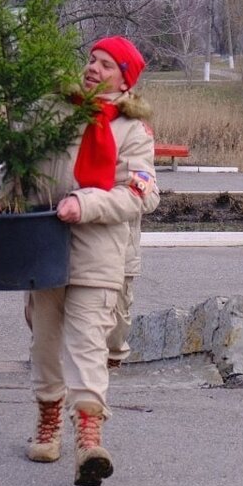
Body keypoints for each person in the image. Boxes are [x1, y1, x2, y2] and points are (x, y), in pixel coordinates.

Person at [0, 36, 155, 486]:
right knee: (44, 341)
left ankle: (89, 441)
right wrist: (4, 196)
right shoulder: (53, 112)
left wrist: (87, 204)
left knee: (87, 346)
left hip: (97, 251)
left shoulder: (131, 130)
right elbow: (21, 164)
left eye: (105, 65)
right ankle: (48, 421)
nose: (93, 69)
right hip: (43, 242)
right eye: (91, 60)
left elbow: (141, 193)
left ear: (124, 78)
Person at [107, 122, 160, 368]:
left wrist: (125, 193)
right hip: (80, 246)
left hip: (123, 249)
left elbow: (150, 198)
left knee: (118, 316)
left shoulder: (136, 135)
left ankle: (113, 359)